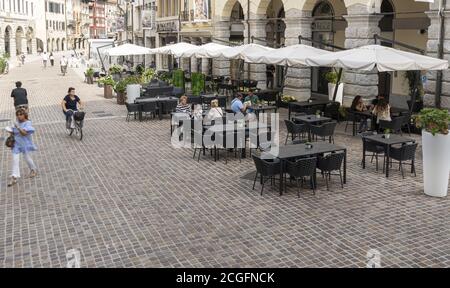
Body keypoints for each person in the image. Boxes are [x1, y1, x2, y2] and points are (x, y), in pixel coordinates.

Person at [7, 109, 37, 187]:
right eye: (17, 115)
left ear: (24, 115)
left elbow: (24, 133)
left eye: (21, 114)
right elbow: (13, 132)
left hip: (24, 143)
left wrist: (17, 127)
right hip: (16, 144)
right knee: (15, 160)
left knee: (27, 158)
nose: (19, 116)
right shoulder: (16, 123)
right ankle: (14, 177)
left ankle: (33, 169)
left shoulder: (28, 123)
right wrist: (11, 134)